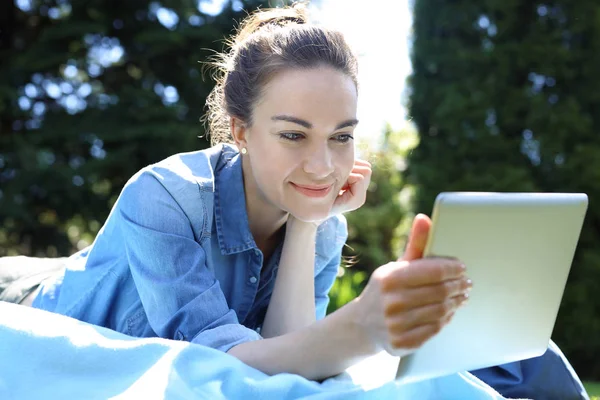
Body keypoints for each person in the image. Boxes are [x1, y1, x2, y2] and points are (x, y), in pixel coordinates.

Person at [0, 3, 589, 397]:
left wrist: (310, 221)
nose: (322, 165)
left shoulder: (324, 220)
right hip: (41, 290)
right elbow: (223, 358)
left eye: (341, 137)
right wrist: (361, 327)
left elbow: (284, 356)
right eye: (292, 134)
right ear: (239, 129)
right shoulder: (163, 198)